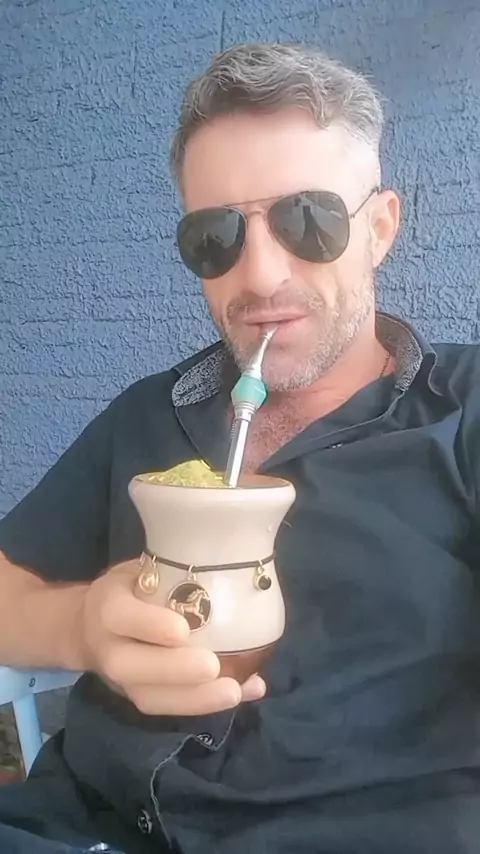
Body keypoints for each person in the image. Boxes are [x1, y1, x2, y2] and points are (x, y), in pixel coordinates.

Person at [0, 40, 479, 854]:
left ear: (380, 229)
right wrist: (80, 626)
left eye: (309, 220)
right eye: (216, 235)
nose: (258, 276)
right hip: (78, 827)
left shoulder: (462, 413)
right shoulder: (148, 416)